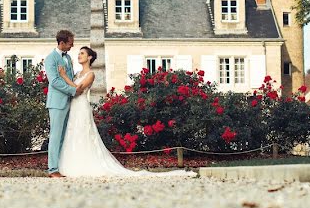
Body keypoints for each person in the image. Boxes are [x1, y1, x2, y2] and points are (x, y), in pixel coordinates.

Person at [56, 46, 196, 178]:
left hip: (81, 106)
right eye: (79, 53)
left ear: (90, 57)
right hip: (73, 106)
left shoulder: (90, 74)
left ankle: (85, 166)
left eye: (82, 53)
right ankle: (72, 163)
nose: (79, 55)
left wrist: (63, 76)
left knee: (83, 133)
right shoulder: (77, 73)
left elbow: (78, 89)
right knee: (72, 133)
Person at [43, 30, 82, 178]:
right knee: (55, 135)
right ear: (62, 43)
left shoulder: (68, 58)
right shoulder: (51, 59)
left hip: (68, 102)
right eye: (70, 43)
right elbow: (54, 81)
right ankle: (52, 169)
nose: (72, 46)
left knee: (63, 136)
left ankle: (60, 166)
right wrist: (73, 90)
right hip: (57, 103)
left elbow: (68, 77)